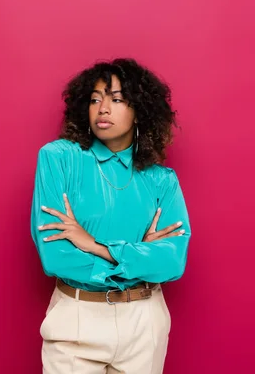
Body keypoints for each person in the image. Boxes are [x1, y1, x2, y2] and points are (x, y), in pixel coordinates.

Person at [30, 58, 192, 373]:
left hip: (144, 321)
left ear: (139, 111)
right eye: (95, 99)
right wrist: (139, 258)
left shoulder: (162, 179)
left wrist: (94, 245)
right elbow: (56, 256)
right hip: (78, 318)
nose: (103, 108)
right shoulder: (59, 159)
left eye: (116, 99)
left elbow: (173, 261)